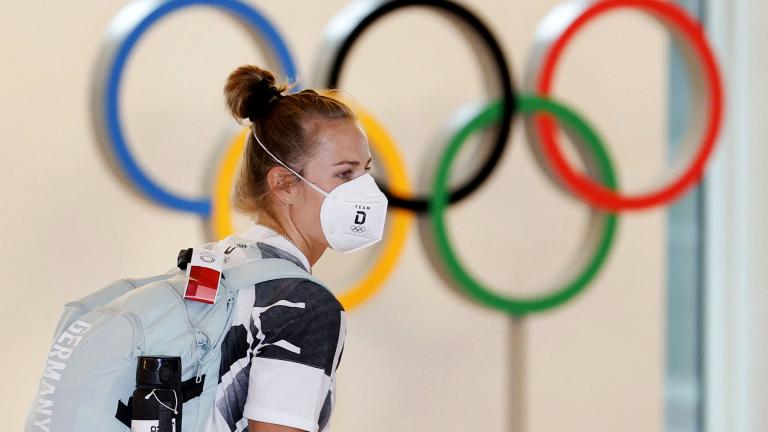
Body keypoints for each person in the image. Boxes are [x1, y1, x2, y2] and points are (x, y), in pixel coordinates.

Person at [203, 65, 388, 432]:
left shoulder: (221, 265)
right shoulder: (303, 304)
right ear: (285, 184)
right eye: (345, 173)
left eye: (366, 170)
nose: (365, 190)